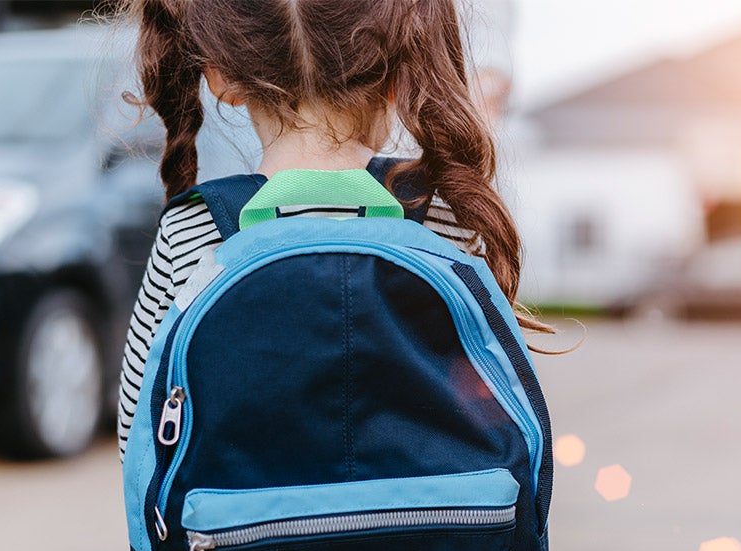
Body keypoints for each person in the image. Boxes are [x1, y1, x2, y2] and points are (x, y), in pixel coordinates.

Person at [115, 0, 552, 460]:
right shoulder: (443, 217)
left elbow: (137, 439)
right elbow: (497, 417)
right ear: (397, 70)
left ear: (221, 78)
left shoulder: (194, 229)